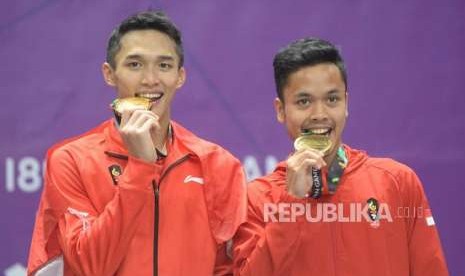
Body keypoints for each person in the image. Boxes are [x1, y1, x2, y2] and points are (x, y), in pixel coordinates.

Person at [27, 10, 246, 276]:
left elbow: (229, 268)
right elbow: (88, 266)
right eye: (135, 65)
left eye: (164, 65)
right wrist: (141, 167)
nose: (150, 79)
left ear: (180, 76)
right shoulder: (70, 160)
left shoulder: (218, 164)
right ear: (109, 74)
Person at [233, 37, 449, 276]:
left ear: (346, 103)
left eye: (332, 99)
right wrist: (291, 203)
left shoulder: (396, 182)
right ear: (281, 110)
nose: (319, 114)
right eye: (304, 101)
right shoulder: (257, 199)